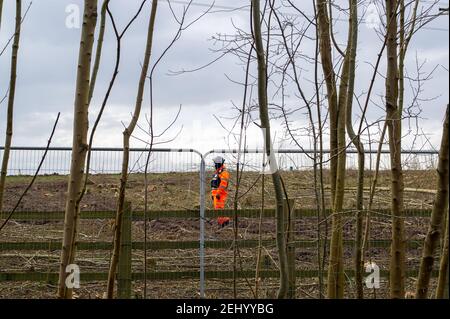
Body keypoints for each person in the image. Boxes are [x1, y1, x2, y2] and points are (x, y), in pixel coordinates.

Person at [210, 156, 230, 227]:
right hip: (216, 195)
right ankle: (222, 224)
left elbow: (223, 185)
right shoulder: (218, 173)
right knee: (218, 210)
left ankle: (224, 223)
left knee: (219, 210)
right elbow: (214, 185)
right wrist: (213, 194)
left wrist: (218, 193)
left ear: (219, 164)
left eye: (215, 163)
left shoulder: (224, 173)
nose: (214, 165)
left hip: (220, 195)